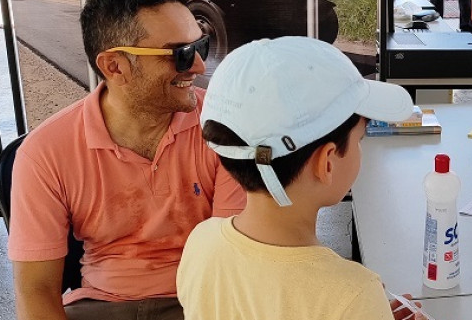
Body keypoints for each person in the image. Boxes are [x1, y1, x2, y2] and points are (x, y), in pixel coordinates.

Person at [8, 0, 245, 320]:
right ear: (114, 66)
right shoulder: (45, 153)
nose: (198, 66)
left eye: (201, 46)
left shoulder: (224, 127)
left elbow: (233, 258)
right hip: (99, 306)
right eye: (180, 54)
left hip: (205, 299)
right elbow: (36, 290)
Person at [177, 36, 423, 320]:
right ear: (326, 162)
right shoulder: (352, 292)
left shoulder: (201, 242)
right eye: (359, 139)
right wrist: (363, 307)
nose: (360, 148)